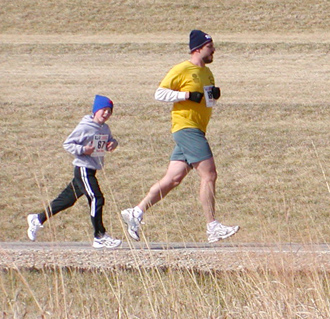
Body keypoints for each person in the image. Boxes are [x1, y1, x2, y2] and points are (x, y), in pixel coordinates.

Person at [121, 30, 238, 244]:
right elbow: (160, 93)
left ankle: (136, 212)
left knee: (173, 179)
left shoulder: (208, 73)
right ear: (198, 48)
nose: (214, 50)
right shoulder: (182, 69)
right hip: (186, 127)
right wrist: (185, 95)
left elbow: (205, 101)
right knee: (209, 174)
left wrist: (213, 96)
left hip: (198, 128)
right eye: (210, 46)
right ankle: (212, 226)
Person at [27, 95, 122, 249]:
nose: (106, 114)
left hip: (92, 169)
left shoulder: (105, 128)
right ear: (96, 110)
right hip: (83, 168)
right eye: (103, 110)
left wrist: (113, 144)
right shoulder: (85, 126)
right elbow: (68, 144)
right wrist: (84, 150)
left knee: (67, 200)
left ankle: (37, 219)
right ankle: (99, 236)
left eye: (109, 111)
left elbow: (110, 140)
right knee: (97, 198)